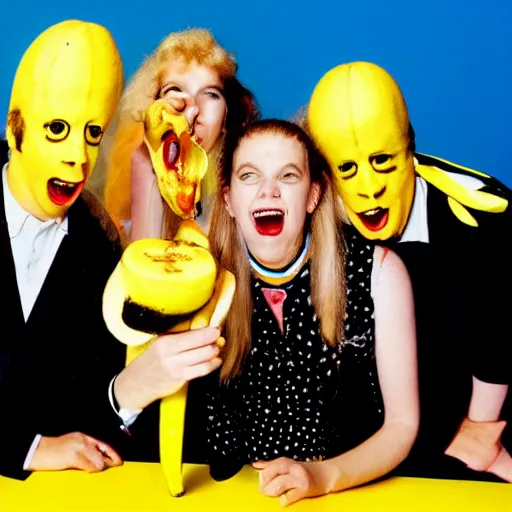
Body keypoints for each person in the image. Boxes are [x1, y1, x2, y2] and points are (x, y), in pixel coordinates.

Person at [306, 61, 512, 482]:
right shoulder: (315, 214)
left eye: (382, 161)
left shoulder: (484, 218)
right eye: (347, 168)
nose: (369, 188)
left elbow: (501, 333)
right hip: (371, 434)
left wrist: (480, 429)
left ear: (410, 149)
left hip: (479, 422)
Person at [199, 119, 419, 506]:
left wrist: (323, 477)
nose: (269, 190)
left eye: (288, 175)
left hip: (354, 494)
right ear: (230, 200)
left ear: (313, 195)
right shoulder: (197, 282)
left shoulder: (379, 272)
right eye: (250, 176)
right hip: (230, 497)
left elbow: (402, 425)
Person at [0, 20, 127, 480]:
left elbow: (93, 404)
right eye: (58, 129)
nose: (79, 156)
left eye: (93, 133)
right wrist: (27, 448)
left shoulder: (100, 248)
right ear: (15, 128)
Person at [89, 28, 259, 243]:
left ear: (227, 117)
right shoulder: (130, 191)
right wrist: (148, 162)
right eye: (175, 91)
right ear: (151, 106)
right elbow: (144, 265)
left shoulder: (248, 195)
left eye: (211, 95)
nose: (193, 111)